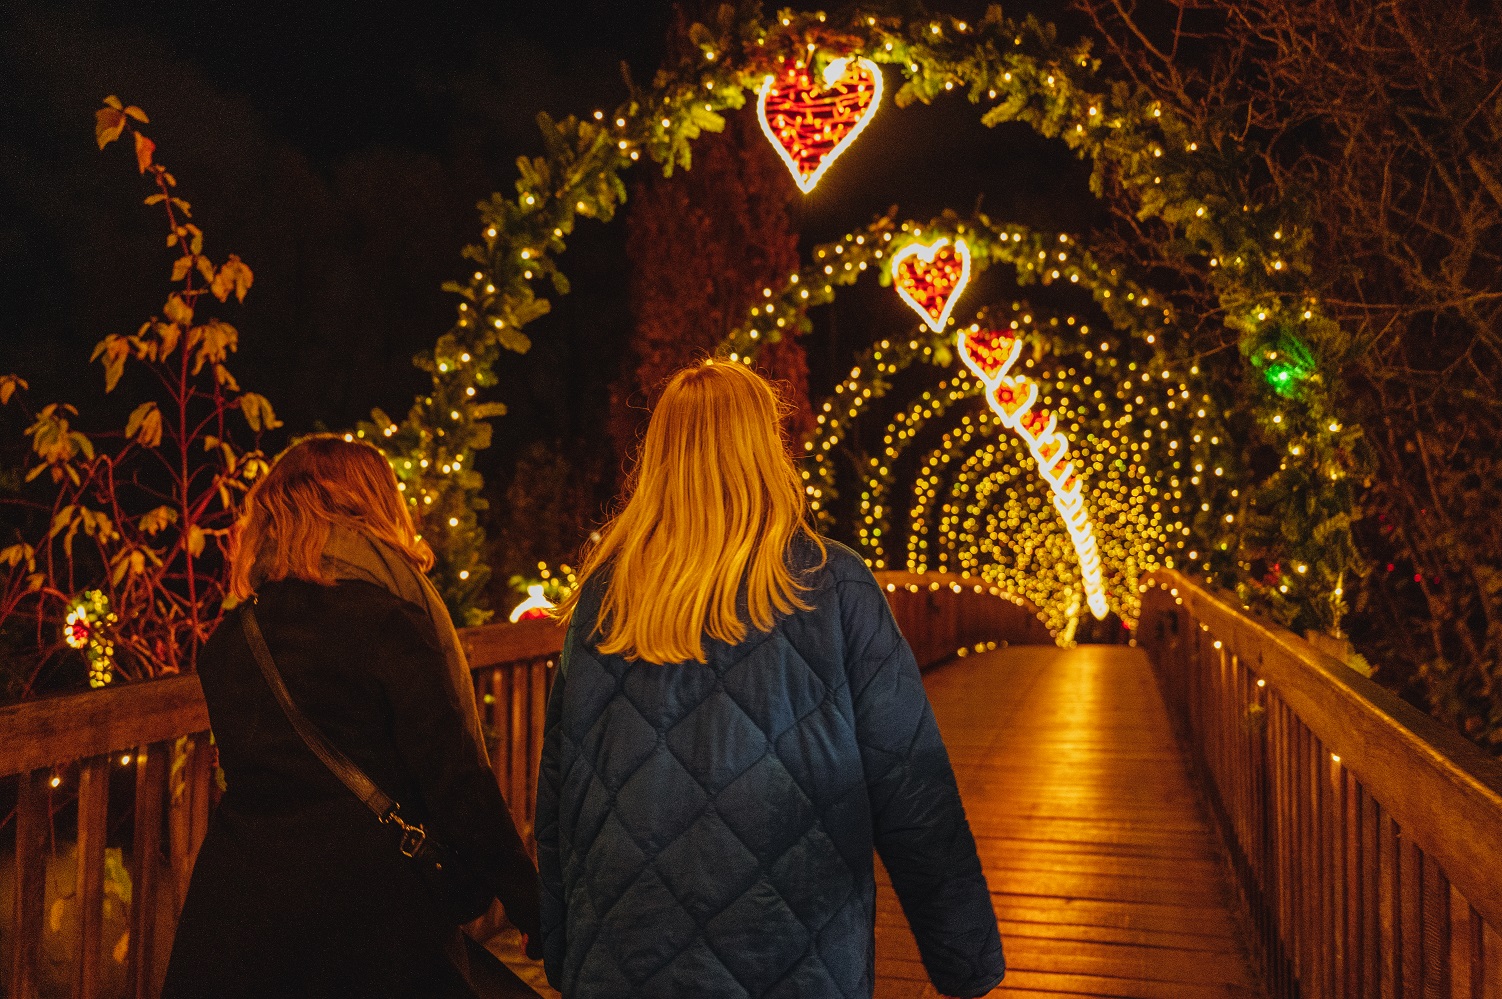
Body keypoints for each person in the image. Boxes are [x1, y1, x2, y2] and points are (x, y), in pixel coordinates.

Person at [537, 361, 1004, 998]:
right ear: (767, 451)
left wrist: (562, 948)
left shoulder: (603, 597)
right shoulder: (832, 585)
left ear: (660, 459)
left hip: (625, 954)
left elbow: (559, 790)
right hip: (789, 952)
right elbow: (911, 785)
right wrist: (965, 961)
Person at [164, 435, 542, 999]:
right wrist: (531, 905)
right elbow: (455, 782)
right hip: (368, 917)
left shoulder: (228, 643)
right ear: (372, 507)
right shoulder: (386, 621)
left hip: (240, 913)